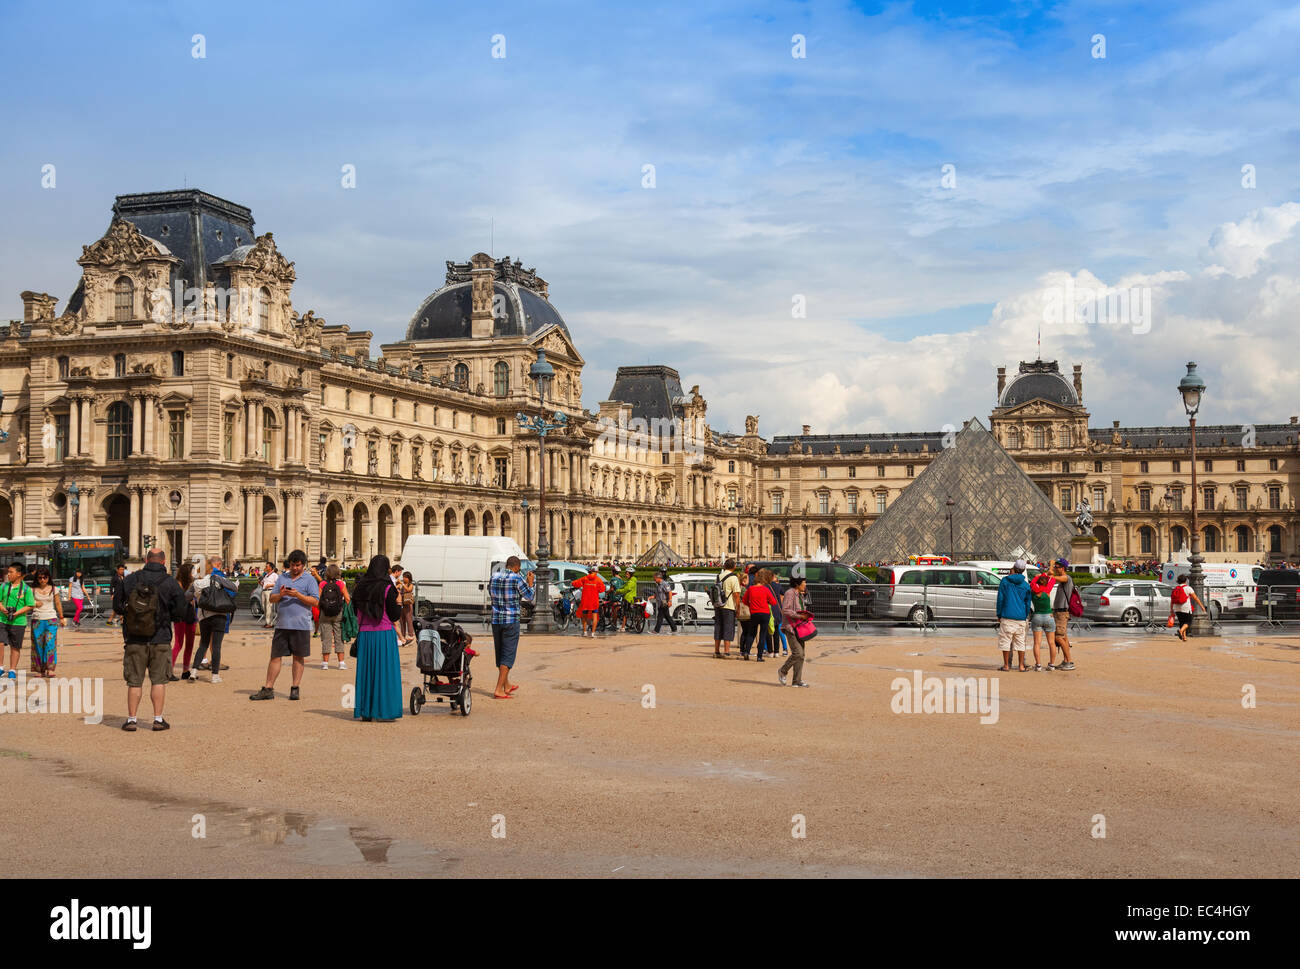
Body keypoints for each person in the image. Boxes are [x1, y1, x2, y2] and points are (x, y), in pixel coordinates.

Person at [113, 548, 186, 731]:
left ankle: (131, 719)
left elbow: (117, 605)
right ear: (163, 561)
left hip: (134, 638)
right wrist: (169, 617)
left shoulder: (130, 580)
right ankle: (158, 719)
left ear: (146, 559)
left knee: (134, 681)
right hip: (160, 637)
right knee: (158, 680)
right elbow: (181, 611)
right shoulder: (170, 582)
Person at [250, 549, 319, 701]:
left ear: (303, 565)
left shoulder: (310, 580)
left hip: (301, 624)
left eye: (298, 565)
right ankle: (268, 688)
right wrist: (281, 595)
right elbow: (272, 599)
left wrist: (298, 595)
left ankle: (295, 688)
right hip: (282, 624)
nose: (295, 568)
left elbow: (315, 601)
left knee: (298, 657)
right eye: (293, 565)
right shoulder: (282, 578)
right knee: (275, 656)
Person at [351, 555, 404, 721]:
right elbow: (395, 615)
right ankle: (384, 711)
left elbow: (354, 611)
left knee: (366, 674)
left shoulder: (360, 587)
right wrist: (400, 603)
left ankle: (366, 711)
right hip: (384, 635)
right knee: (385, 674)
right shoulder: (388, 588)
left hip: (365, 635)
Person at [487, 555, 534, 699]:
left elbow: (491, 592)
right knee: (508, 655)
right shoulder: (516, 578)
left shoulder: (494, 576)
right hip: (511, 620)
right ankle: (498, 689)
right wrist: (530, 583)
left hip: (496, 620)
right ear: (516, 567)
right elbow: (530, 596)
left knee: (500, 652)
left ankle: (506, 685)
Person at [191, 554, 236, 682]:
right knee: (216, 646)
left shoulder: (198, 581)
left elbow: (190, 595)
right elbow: (233, 590)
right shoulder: (219, 577)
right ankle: (215, 675)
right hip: (219, 614)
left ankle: (193, 671)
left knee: (203, 644)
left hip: (204, 615)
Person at [995, 559, 1033, 672]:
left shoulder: (1005, 582)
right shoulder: (1026, 585)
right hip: (1020, 617)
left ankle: (1006, 665)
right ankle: (1021, 666)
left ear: (1014, 568)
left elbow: (1000, 599)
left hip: (1007, 615)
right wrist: (1025, 615)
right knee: (1021, 642)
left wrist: (999, 613)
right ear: (1023, 570)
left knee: (1006, 641)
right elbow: (1027, 603)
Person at [29, 566, 65, 677]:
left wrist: (62, 617)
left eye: (45, 577)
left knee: (50, 644)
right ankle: (40, 669)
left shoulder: (54, 589)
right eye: (40, 578)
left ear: (48, 577)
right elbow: (28, 604)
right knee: (38, 645)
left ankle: (50, 668)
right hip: (37, 620)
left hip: (51, 619)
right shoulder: (32, 590)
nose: (42, 580)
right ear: (37, 578)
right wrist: (35, 604)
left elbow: (58, 603)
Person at [0, 562, 34, 679]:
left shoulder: (26, 589)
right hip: (2, 620)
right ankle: (0, 668)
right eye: (8, 572)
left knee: (15, 646)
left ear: (19, 574)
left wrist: (16, 613)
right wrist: (2, 608)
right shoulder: (4, 586)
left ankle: (12, 670)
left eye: (11, 572)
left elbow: (30, 605)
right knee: (0, 643)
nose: (8, 574)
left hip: (18, 622)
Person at [778, 575, 813, 687]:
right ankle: (783, 671)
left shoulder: (800, 595)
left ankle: (796, 681)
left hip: (799, 627)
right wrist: (799, 616)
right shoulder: (790, 593)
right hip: (790, 627)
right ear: (797, 584)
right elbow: (785, 610)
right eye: (804, 582)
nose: (805, 585)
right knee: (798, 653)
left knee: (801, 655)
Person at [740, 568, 780, 661]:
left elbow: (745, 601)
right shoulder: (765, 589)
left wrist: (751, 605)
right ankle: (759, 656)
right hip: (765, 613)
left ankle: (746, 651)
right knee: (762, 634)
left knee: (751, 634)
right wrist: (766, 602)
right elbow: (773, 602)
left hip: (754, 612)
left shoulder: (750, 589)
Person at [316, 564, 350, 669]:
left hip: (325, 614)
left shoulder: (322, 584)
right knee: (339, 638)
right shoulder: (340, 583)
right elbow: (348, 599)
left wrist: (322, 608)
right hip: (337, 613)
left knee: (326, 638)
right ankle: (341, 663)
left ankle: (325, 663)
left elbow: (318, 600)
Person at [170, 562, 198, 682]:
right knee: (178, 644)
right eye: (192, 572)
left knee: (190, 645)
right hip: (180, 616)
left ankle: (185, 670)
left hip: (190, 615)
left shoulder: (190, 584)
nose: (194, 574)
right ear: (187, 573)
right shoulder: (176, 585)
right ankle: (168, 670)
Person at [1049, 559, 1077, 671]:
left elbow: (1051, 577)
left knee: (1058, 637)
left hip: (1062, 612)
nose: (1055, 569)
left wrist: (1051, 566)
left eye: (1057, 567)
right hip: (1058, 612)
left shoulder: (1067, 578)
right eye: (1055, 567)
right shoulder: (1062, 580)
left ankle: (1069, 661)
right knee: (1064, 637)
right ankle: (1066, 661)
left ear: (1063, 568)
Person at [712, 557, 742, 658]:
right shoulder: (734, 578)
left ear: (724, 566)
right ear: (734, 567)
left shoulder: (718, 576)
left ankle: (716, 651)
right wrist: (738, 608)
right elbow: (736, 595)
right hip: (729, 606)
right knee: (728, 628)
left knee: (718, 627)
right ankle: (726, 652)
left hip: (718, 606)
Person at [1028, 571, 1056, 672]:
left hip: (1037, 616)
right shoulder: (1047, 591)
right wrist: (1046, 573)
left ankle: (1038, 665)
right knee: (1051, 643)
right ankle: (1052, 665)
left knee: (1037, 643)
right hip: (1048, 616)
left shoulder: (1033, 592)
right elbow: (1052, 579)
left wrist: (1037, 577)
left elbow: (1032, 584)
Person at [1169, 573, 1204, 642]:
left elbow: (1172, 600)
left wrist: (1171, 609)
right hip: (1185, 608)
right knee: (1188, 622)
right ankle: (1181, 631)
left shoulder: (1176, 588)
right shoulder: (1188, 588)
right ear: (1185, 581)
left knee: (1182, 622)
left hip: (1177, 608)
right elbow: (1195, 598)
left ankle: (1184, 637)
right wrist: (1202, 606)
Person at [572, 566, 604, 638]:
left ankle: (585, 632)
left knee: (584, 617)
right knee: (595, 616)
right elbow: (602, 589)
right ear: (597, 572)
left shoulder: (585, 578)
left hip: (585, 600)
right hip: (594, 601)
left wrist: (572, 583)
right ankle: (593, 633)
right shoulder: (598, 580)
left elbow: (576, 583)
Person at [258, 561, 279, 628]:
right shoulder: (266, 575)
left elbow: (278, 584)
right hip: (264, 591)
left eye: (267, 566)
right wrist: (261, 583)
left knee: (269, 607)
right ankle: (267, 622)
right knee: (264, 607)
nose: (266, 567)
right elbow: (263, 583)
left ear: (270, 567)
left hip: (270, 591)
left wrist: (270, 585)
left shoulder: (275, 575)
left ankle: (270, 623)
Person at [398, 571, 416, 646]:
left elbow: (409, 590)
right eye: (403, 577)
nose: (403, 578)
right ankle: (402, 635)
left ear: (408, 578)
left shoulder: (410, 585)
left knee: (409, 620)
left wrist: (402, 584)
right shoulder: (402, 584)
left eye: (405, 577)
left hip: (408, 604)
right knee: (402, 620)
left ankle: (411, 635)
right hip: (402, 604)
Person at [620, 566, 638, 631]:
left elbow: (627, 589)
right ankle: (636, 625)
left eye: (627, 574)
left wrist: (618, 591)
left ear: (630, 574)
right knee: (630, 613)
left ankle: (623, 627)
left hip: (628, 598)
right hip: (631, 598)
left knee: (625, 613)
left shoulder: (631, 581)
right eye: (626, 573)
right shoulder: (630, 580)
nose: (626, 575)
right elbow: (624, 586)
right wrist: (619, 588)